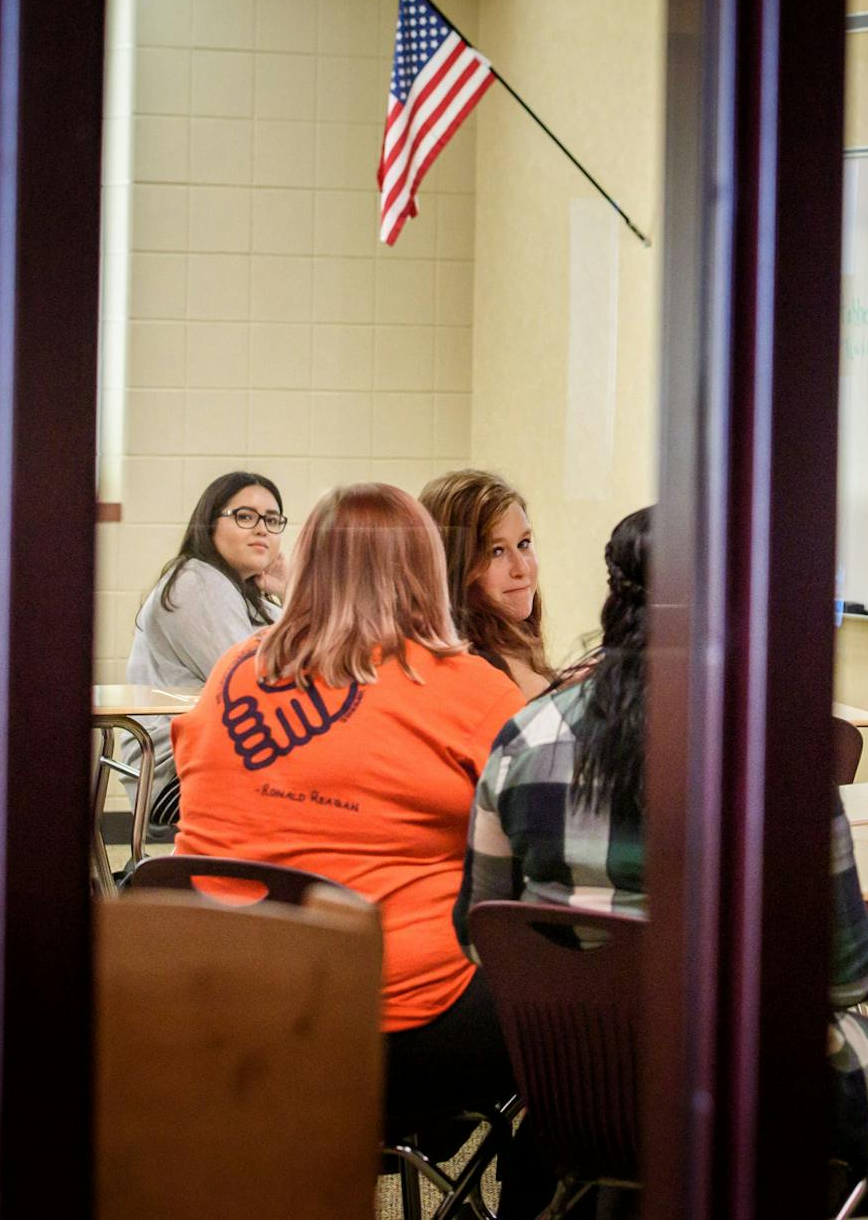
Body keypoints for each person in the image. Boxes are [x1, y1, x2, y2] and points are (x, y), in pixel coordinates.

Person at [458, 508, 868, 1214]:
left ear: (615, 593)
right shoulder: (775, 747)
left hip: (577, 1092)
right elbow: (848, 972)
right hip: (744, 1093)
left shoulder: (526, 732)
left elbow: (482, 929)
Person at [170, 483, 544, 1216]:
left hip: (221, 1015)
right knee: (585, 1018)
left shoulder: (230, 673)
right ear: (425, 570)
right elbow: (540, 855)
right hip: (397, 1032)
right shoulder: (470, 688)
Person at [124, 471, 287, 824]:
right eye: (245, 516)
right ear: (209, 524)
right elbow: (257, 682)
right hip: (175, 772)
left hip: (223, 754)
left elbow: (307, 662)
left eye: (272, 520)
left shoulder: (247, 593)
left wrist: (289, 591)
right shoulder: (196, 582)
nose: (262, 529)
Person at [420, 469, 555, 699]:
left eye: (523, 544)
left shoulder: (515, 651)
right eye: (496, 551)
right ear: (452, 564)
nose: (521, 568)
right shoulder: (477, 671)